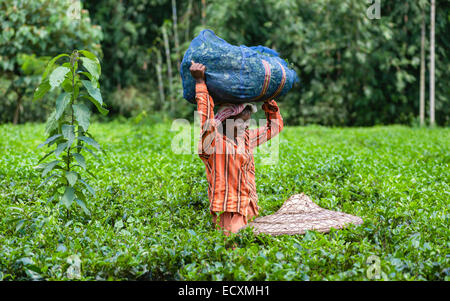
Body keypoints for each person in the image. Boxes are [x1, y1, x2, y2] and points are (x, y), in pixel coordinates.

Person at [190, 61, 284, 236]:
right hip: (229, 212)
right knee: (234, 256)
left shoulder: (246, 138)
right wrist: (200, 84)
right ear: (225, 119)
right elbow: (205, 119)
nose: (245, 126)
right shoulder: (212, 143)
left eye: (248, 122)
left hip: (250, 208)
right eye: (242, 121)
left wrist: (268, 96)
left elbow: (275, 126)